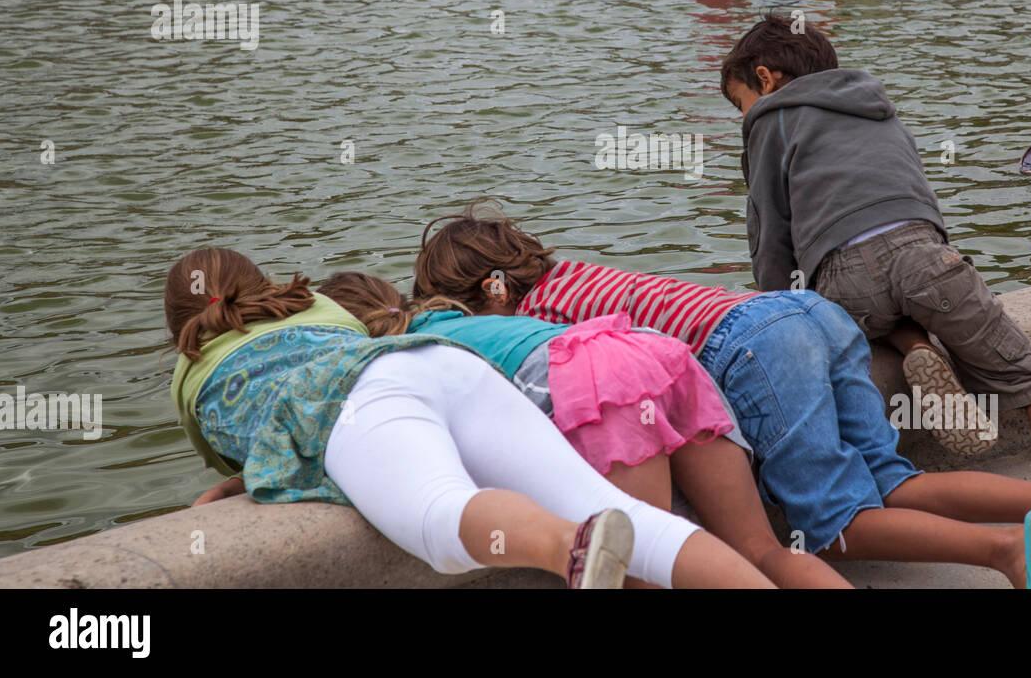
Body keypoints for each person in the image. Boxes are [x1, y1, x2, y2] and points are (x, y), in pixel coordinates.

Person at [413, 206, 1031, 587]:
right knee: (893, 485)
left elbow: (592, 389)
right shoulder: (576, 271)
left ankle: (1006, 555)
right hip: (804, 316)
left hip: (754, 346)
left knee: (836, 526)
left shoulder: (537, 317)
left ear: (490, 290)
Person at [717, 12, 1031, 555]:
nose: (743, 116)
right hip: (927, 256)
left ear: (766, 78)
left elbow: (772, 235)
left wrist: (779, 311)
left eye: (739, 101)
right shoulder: (877, 107)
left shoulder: (771, 120)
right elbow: (920, 201)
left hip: (844, 276)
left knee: (838, 313)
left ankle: (910, 344)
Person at [166, 247, 774, 589]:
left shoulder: (192, 375)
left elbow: (272, 454)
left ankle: (570, 546)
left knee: (440, 516)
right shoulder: (315, 303)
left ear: (180, 333)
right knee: (638, 522)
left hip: (357, 403)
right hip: (447, 366)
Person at [316, 271, 851, 589]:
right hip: (651, 352)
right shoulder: (467, 320)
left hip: (600, 383)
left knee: (642, 568)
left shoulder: (404, 359)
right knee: (758, 548)